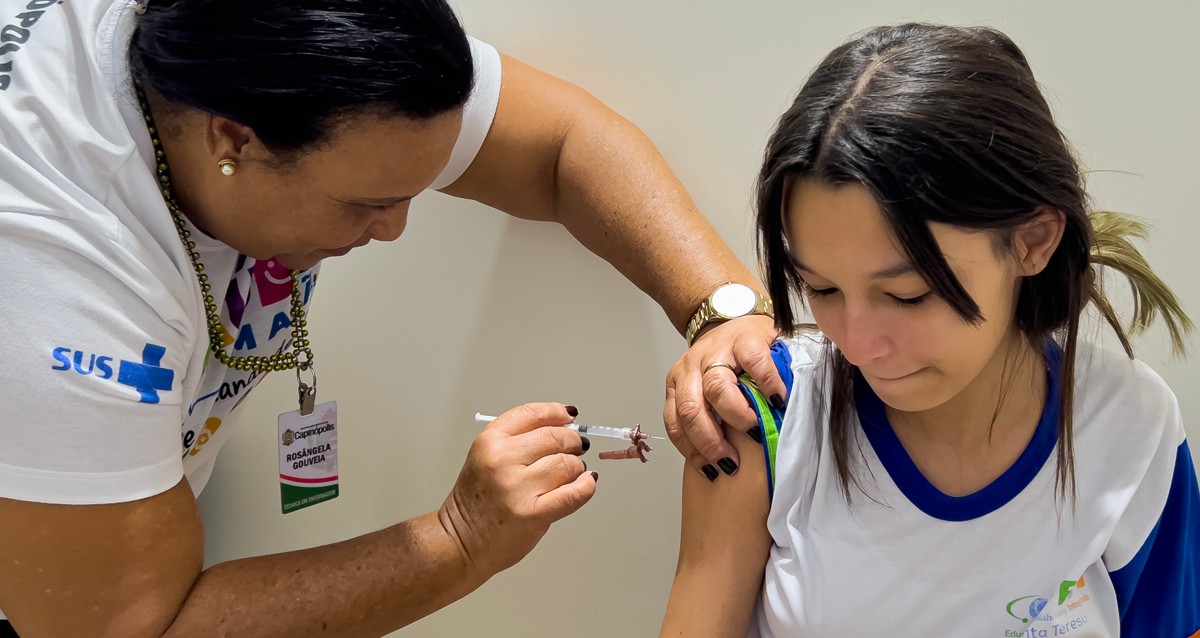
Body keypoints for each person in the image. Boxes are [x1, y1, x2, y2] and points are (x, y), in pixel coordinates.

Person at [0, 1, 786, 636]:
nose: (396, 230)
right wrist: (458, 540)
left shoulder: (304, 48)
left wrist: (720, 311)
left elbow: (560, 144)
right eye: (369, 204)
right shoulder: (53, 279)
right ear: (231, 140)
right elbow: (130, 628)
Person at [661, 23, 1199, 638]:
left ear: (1032, 241)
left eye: (907, 295)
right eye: (824, 289)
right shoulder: (764, 412)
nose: (857, 344)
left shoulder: (1131, 423)